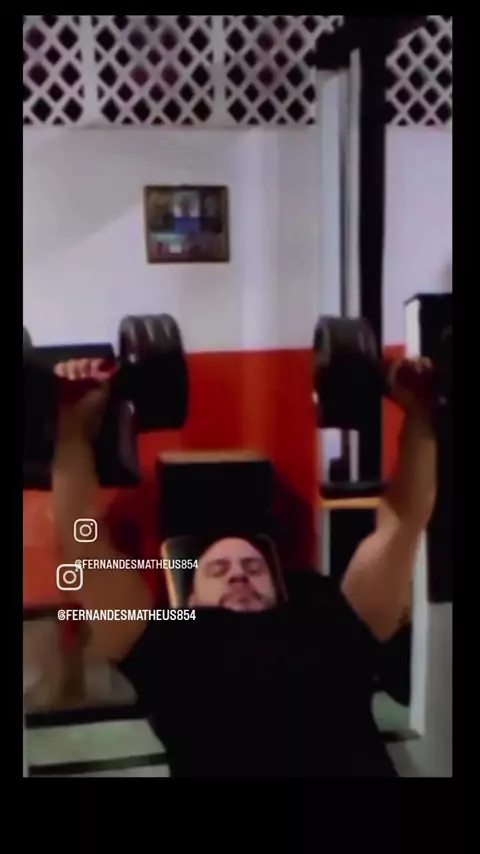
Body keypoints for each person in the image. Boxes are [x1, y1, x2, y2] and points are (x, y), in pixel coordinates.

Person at [51, 356, 436, 777]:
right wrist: (71, 425)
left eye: (253, 566)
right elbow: (80, 537)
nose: (238, 573)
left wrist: (419, 410)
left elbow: (404, 519)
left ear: (278, 586)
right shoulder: (169, 647)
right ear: (190, 599)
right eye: (217, 570)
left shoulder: (332, 621)